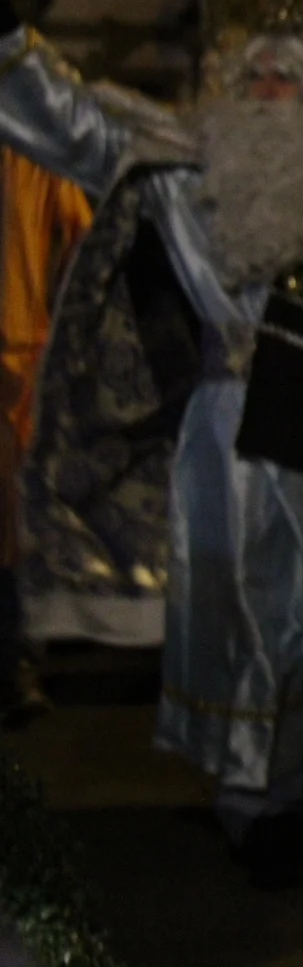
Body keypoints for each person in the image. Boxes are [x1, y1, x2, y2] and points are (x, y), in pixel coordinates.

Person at [0, 1, 303, 886]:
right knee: (244, 610)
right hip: (232, 433)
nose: (270, 92)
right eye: (255, 77)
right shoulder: (184, 171)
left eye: (290, 79)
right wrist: (11, 39)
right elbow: (78, 120)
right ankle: (255, 801)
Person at [0, 147, 91, 725]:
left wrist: (59, 313)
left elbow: (83, 234)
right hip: (19, 345)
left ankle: (17, 663)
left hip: (18, 354)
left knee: (18, 517)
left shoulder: (31, 153)